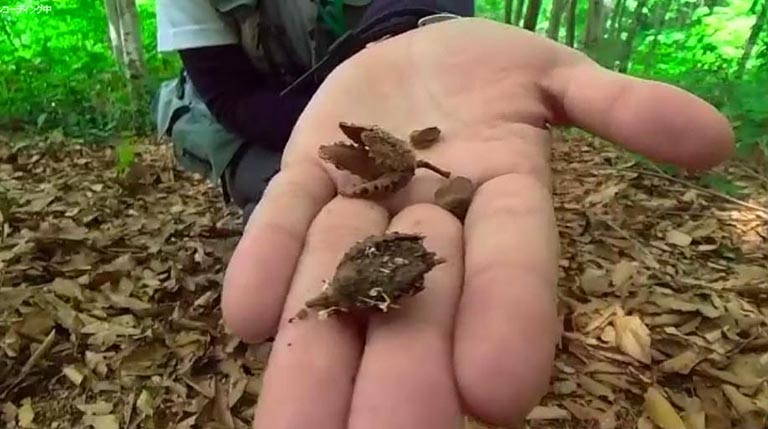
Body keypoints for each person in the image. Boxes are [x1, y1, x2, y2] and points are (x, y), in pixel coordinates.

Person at [157, 3, 736, 429]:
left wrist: (408, 27)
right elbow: (231, 98)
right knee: (278, 202)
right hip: (271, 115)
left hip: (379, 71)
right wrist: (340, 113)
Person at [153, 0, 474, 224]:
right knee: (298, 195)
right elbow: (233, 99)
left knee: (434, 182)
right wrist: (345, 122)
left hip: (391, 97)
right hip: (254, 121)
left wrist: (396, 33)